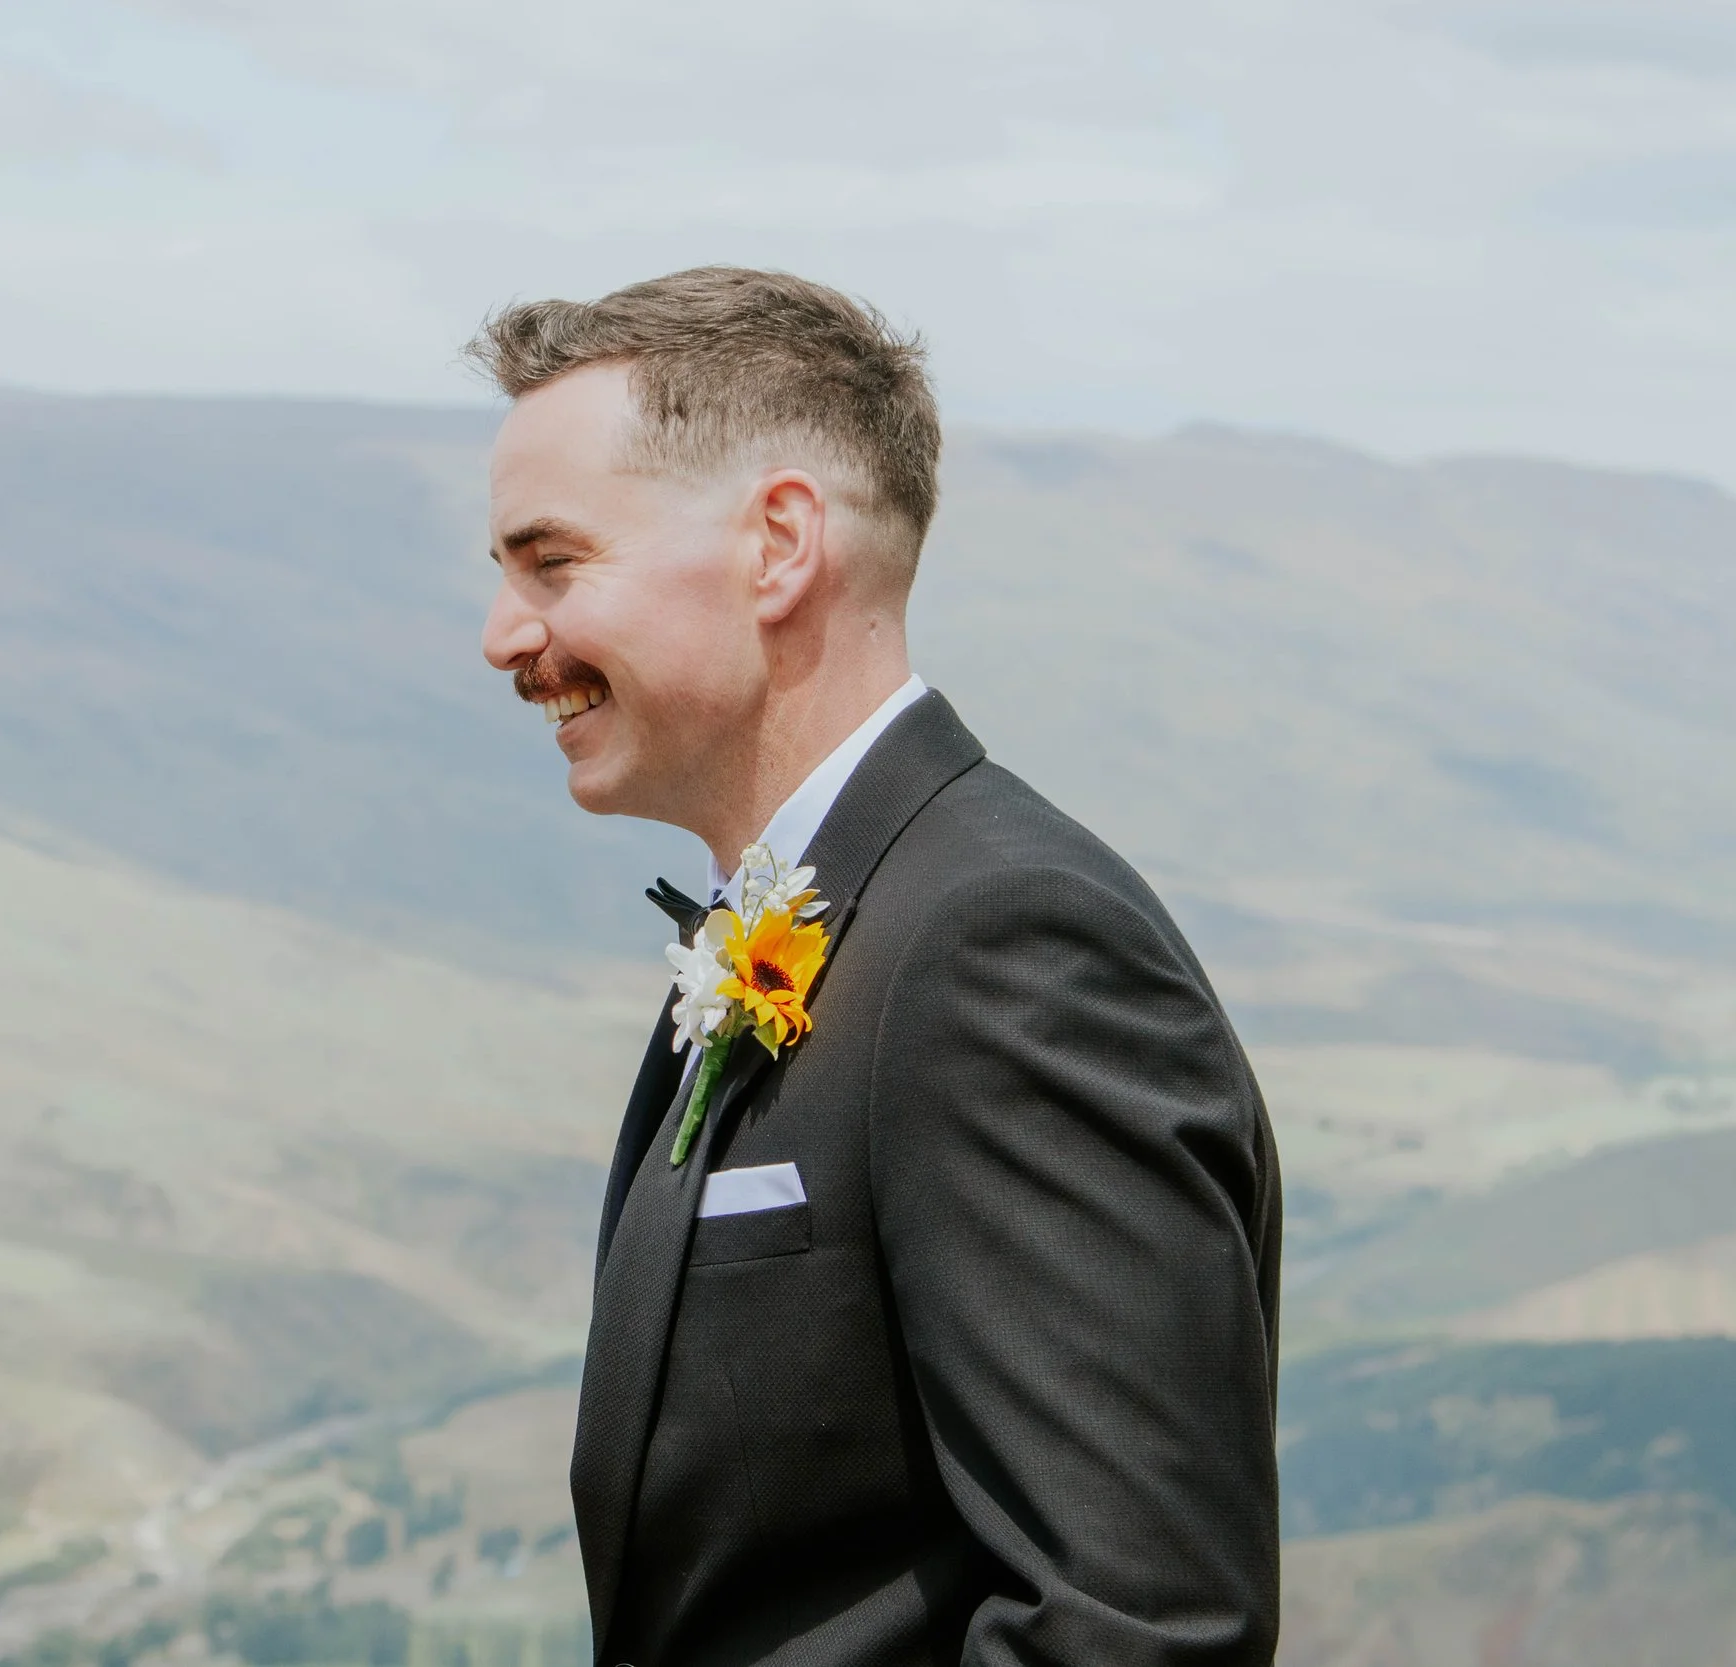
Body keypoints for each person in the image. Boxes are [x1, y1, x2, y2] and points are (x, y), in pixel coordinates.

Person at [471, 267, 1280, 1666]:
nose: (505, 637)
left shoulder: (1003, 944)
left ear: (778, 545)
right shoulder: (811, 911)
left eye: (554, 564)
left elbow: (1138, 1625)